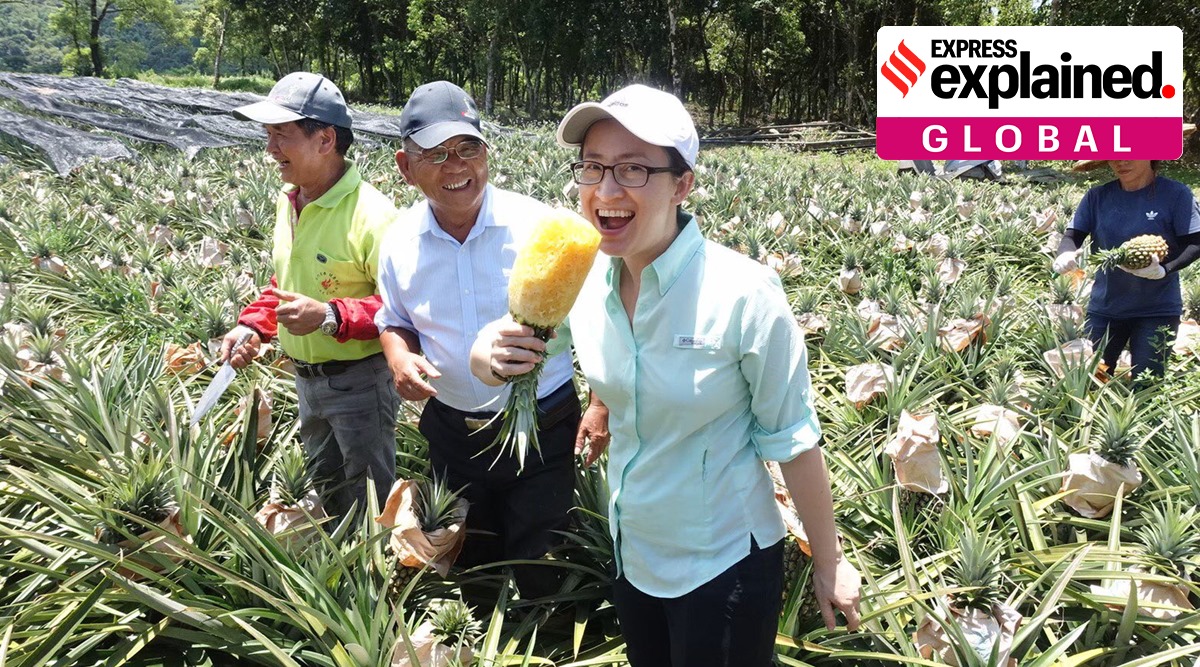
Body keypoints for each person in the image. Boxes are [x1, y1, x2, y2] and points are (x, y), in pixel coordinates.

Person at [471, 84, 861, 666]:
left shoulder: (744, 295)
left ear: (682, 185)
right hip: (633, 552)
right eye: (593, 167)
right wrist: (487, 356)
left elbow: (794, 441)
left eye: (633, 169)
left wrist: (829, 562)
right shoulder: (586, 281)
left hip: (722, 563)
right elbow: (507, 340)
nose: (606, 190)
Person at [374, 81, 584, 598]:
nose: (457, 166)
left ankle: (545, 634)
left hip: (545, 426)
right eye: (436, 154)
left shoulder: (540, 227)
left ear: (487, 154)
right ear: (405, 167)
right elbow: (393, 319)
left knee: (544, 563)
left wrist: (601, 402)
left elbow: (604, 320)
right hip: (454, 433)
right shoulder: (398, 242)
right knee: (472, 562)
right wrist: (399, 358)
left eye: (469, 148)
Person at [220, 71, 400, 520]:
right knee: (326, 488)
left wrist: (331, 315)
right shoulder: (290, 200)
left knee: (368, 503)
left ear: (325, 139)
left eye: (281, 135)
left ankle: (373, 563)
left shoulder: (374, 216)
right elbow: (286, 282)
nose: (270, 148)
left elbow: (403, 309)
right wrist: (253, 325)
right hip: (306, 380)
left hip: (360, 384)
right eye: (267, 135)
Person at [1054, 159, 1200, 379]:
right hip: (1105, 308)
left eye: (1130, 154)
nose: (1120, 162)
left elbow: (1195, 242)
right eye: (1113, 156)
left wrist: (1165, 269)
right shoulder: (1097, 196)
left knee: (1147, 383)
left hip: (1157, 310)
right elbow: (1072, 236)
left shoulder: (1175, 194)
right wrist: (1065, 253)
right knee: (1091, 379)